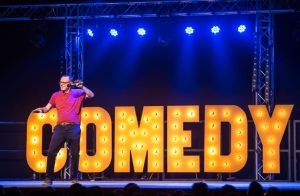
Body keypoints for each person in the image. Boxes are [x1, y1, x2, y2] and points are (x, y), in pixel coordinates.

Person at [33, 75, 94, 186]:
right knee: (51, 152)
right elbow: (47, 108)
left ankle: (74, 178)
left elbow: (91, 95)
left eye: (64, 82)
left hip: (73, 127)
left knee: (74, 154)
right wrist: (41, 110)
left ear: (69, 83)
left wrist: (82, 87)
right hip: (60, 127)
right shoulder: (55, 95)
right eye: (60, 82)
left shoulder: (77, 93)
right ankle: (48, 178)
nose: (61, 84)